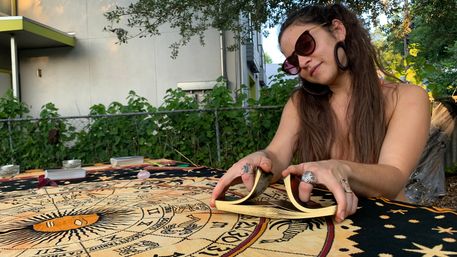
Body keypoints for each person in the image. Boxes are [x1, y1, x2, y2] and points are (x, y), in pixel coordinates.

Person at [210, 3, 431, 223]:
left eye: (305, 45)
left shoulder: (407, 97)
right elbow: (276, 155)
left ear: (338, 30)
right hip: (326, 228)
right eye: (293, 62)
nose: (303, 62)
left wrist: (341, 168)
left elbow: (393, 177)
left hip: (389, 224)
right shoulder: (300, 103)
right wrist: (261, 160)